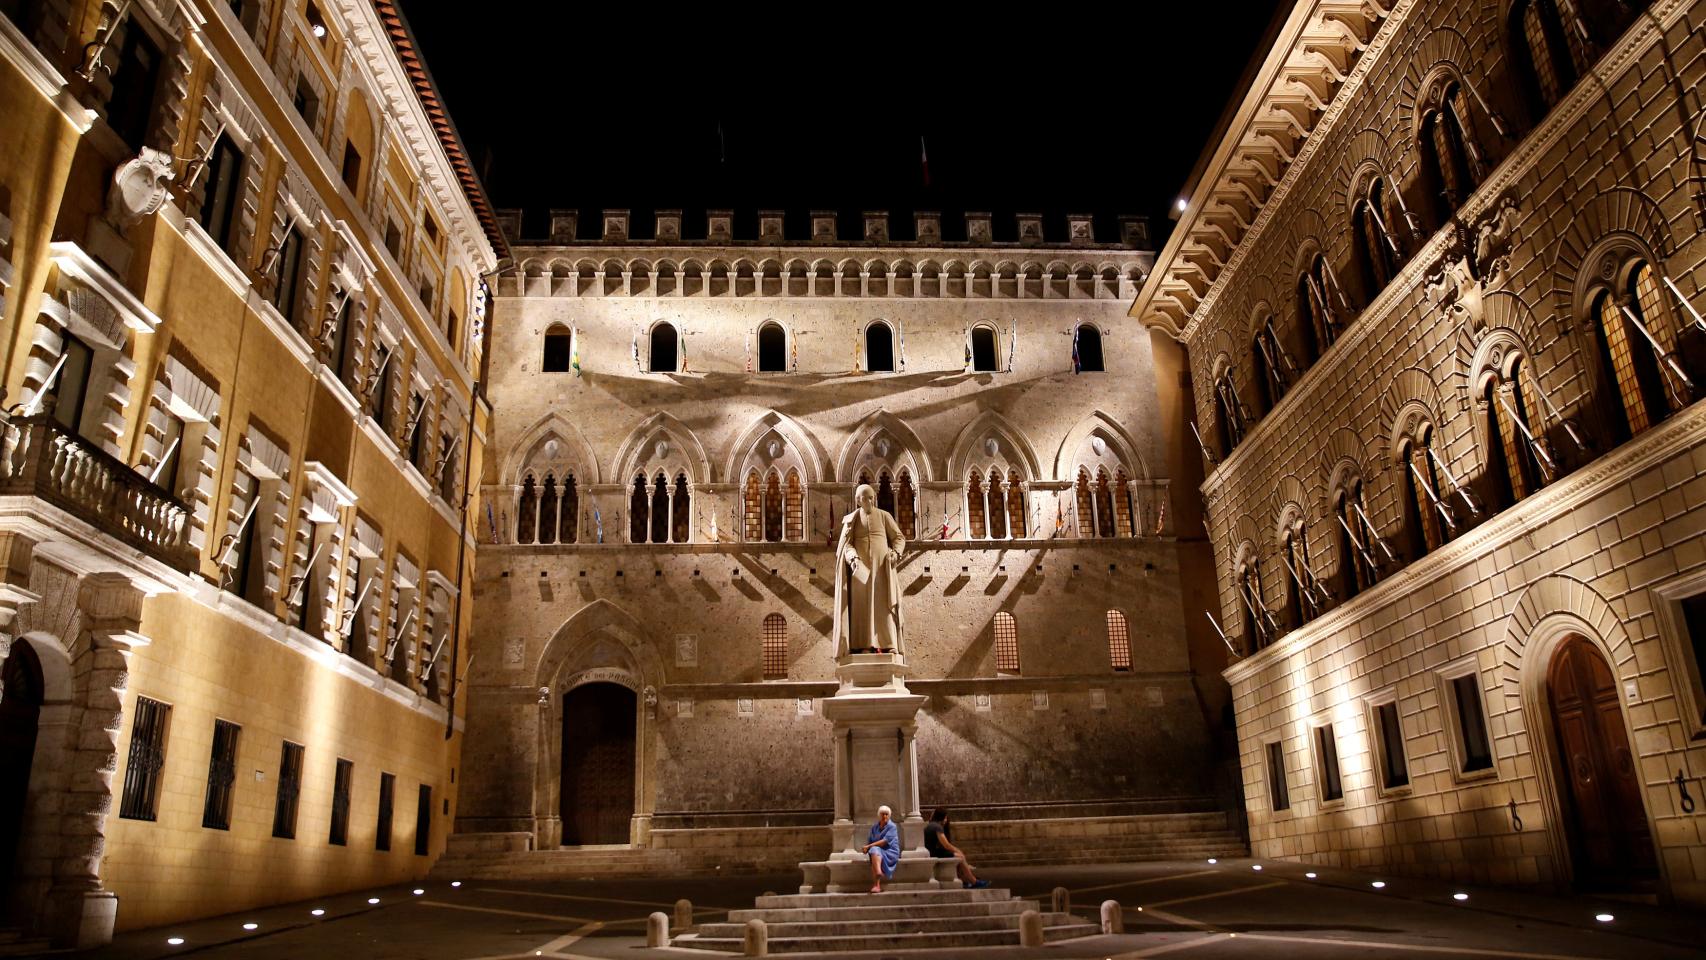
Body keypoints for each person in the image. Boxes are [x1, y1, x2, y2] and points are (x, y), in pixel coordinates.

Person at [924, 807, 988, 888]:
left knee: (956, 856)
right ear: (943, 817)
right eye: (946, 817)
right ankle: (974, 881)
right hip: (934, 853)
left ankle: (965, 879)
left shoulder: (931, 825)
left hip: (931, 852)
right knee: (960, 856)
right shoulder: (937, 827)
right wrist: (958, 851)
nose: (946, 820)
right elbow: (946, 845)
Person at [862, 805, 900, 893]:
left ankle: (877, 885)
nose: (884, 816)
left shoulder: (892, 826)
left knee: (873, 850)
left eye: (886, 814)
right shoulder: (874, 827)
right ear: (879, 815)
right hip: (877, 852)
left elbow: (884, 841)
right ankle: (878, 874)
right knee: (873, 851)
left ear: (889, 815)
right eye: (882, 814)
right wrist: (866, 849)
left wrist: (868, 847)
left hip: (890, 851)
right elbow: (870, 841)